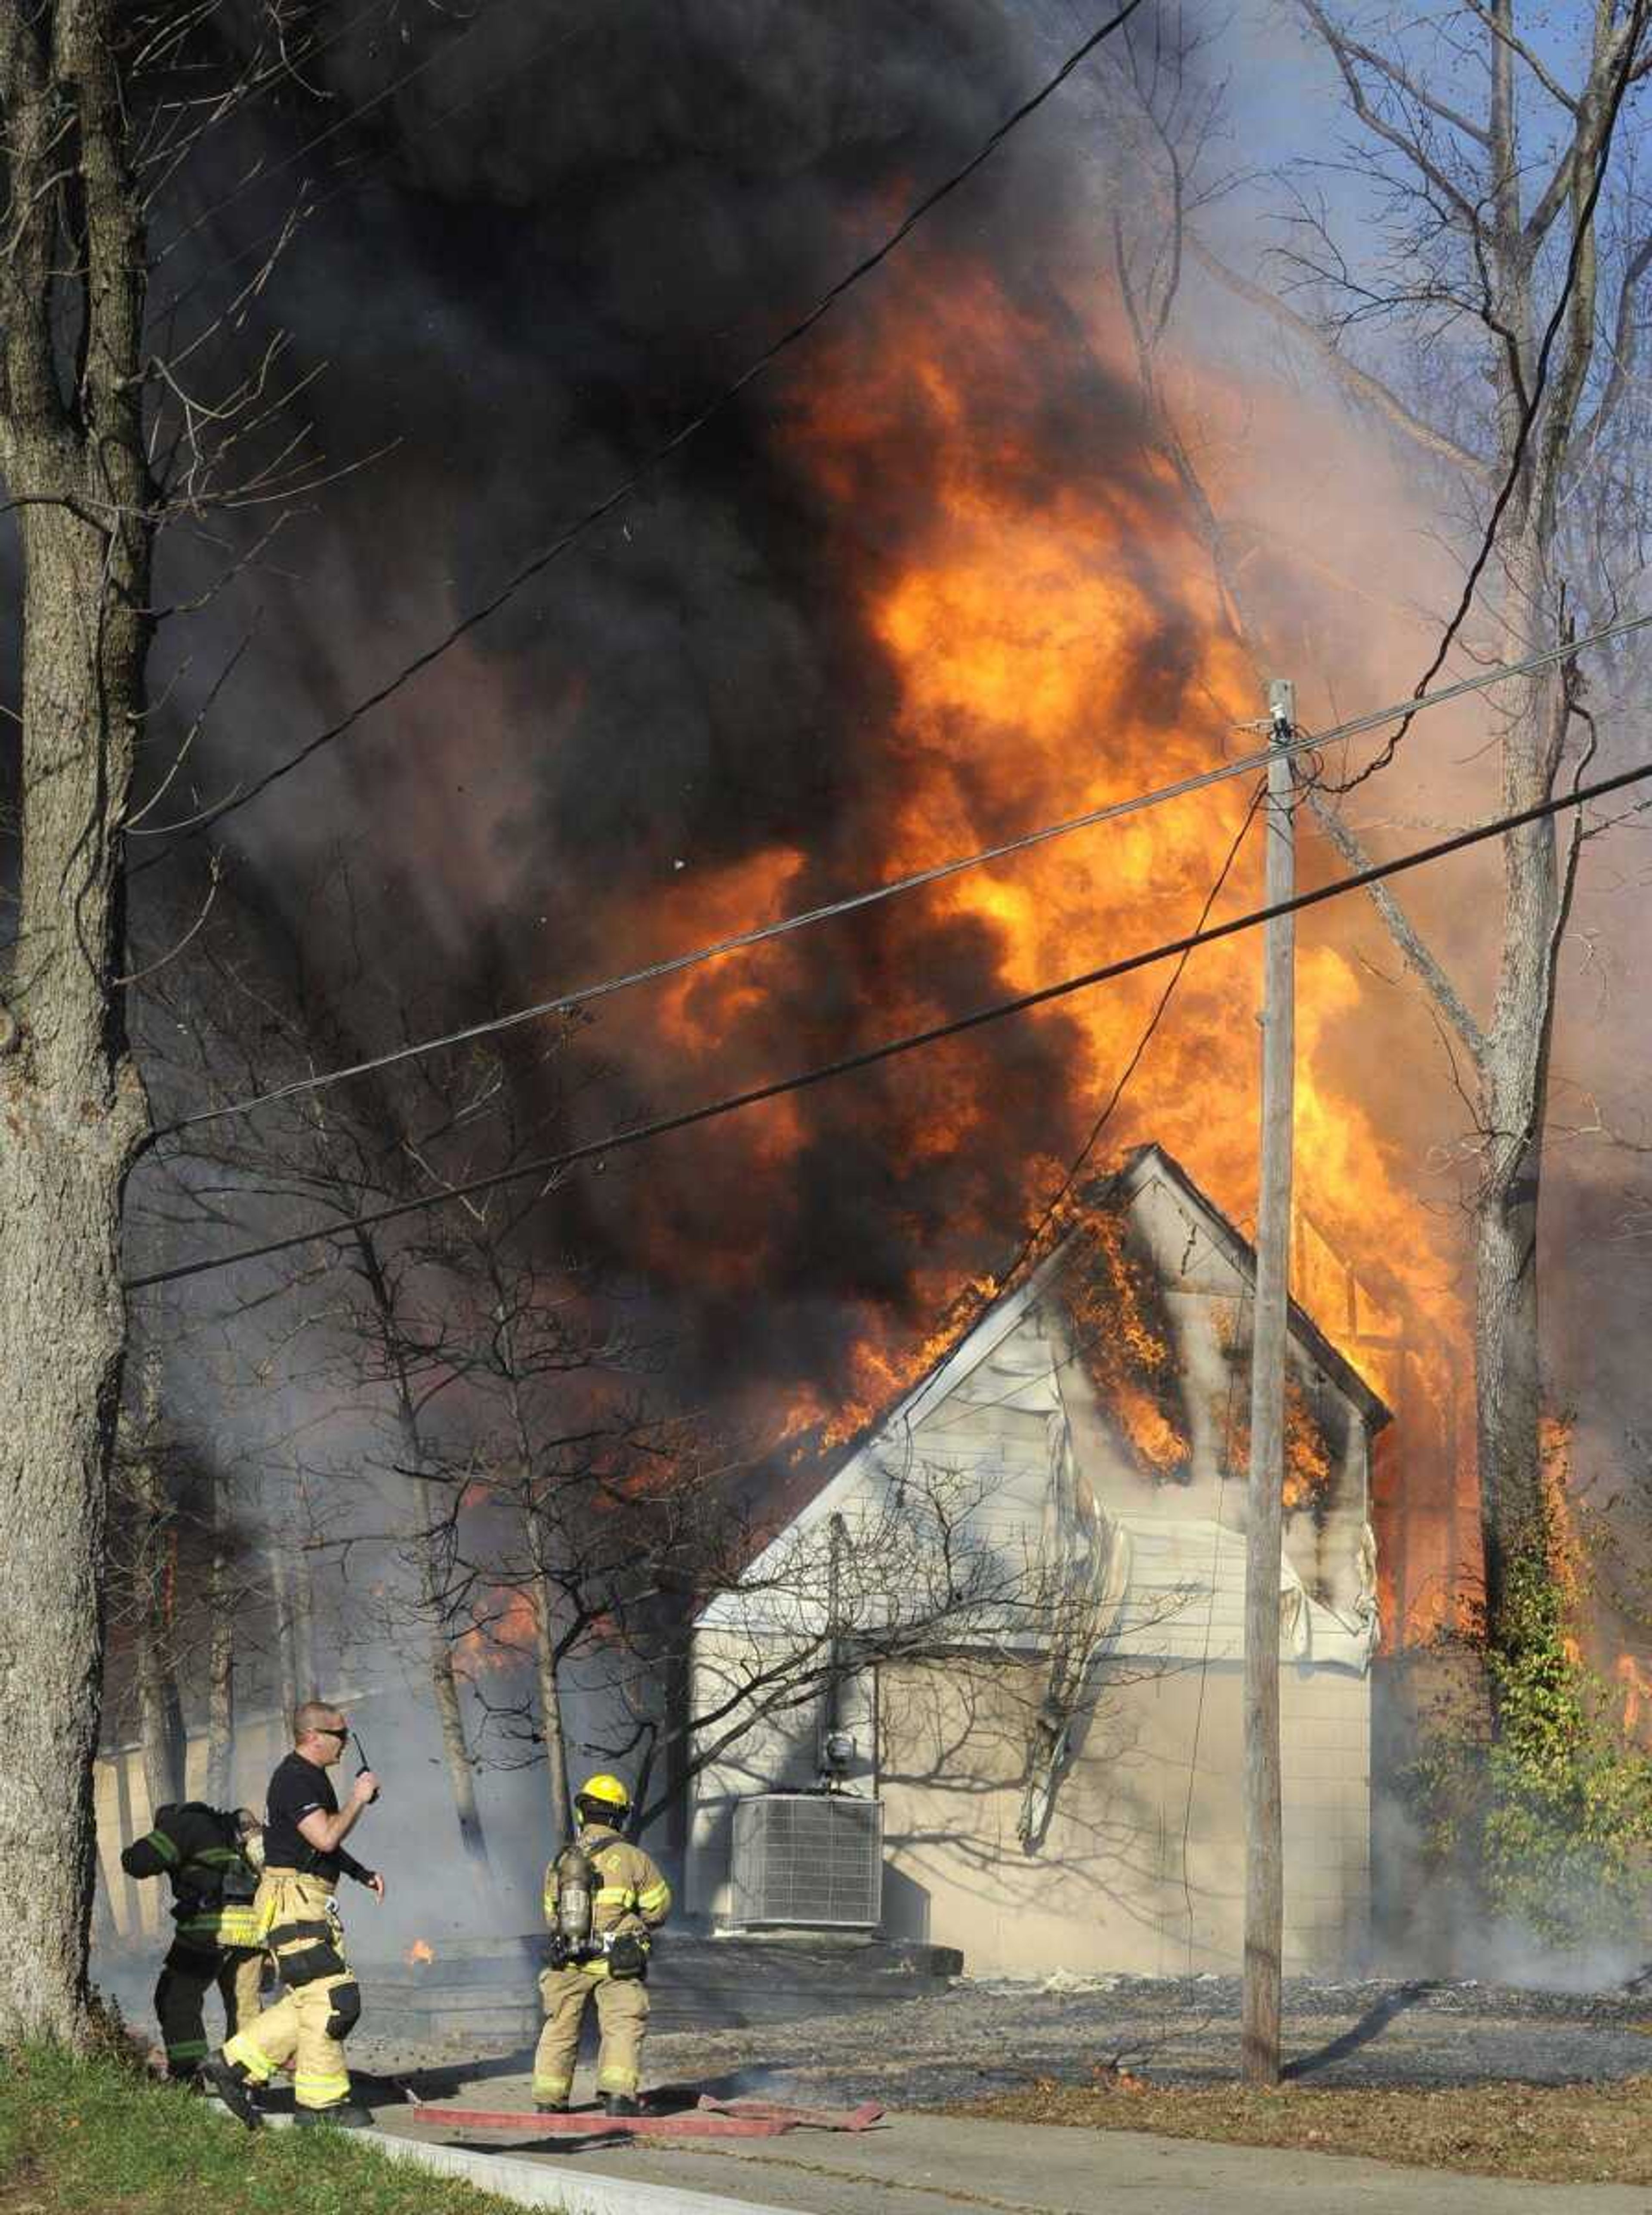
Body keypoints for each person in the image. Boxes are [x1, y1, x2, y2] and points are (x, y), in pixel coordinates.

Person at [203, 1700, 385, 2130]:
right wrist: (358, 1799)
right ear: (312, 1736)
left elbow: (312, 1842)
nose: (345, 1744)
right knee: (334, 1998)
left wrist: (360, 1873)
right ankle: (321, 2107)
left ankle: (232, 2063)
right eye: (339, 1735)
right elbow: (324, 1837)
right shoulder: (296, 1779)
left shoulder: (308, 1778)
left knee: (307, 1997)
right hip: (294, 1901)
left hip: (300, 1896)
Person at [532, 1773, 671, 2116]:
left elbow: (551, 1915)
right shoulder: (633, 1858)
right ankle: (618, 2097)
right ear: (619, 1815)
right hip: (618, 1961)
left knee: (560, 2026)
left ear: (584, 1813)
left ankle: (549, 2100)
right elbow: (660, 1907)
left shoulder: (561, 1861)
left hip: (569, 1959)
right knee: (623, 2023)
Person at [120, 1802, 266, 2082]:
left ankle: (189, 2075)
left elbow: (139, 1862)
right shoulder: (226, 1826)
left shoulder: (181, 1825)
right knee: (243, 2006)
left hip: (212, 1925)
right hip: (252, 1929)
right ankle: (246, 2081)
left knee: (176, 1997)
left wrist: (129, 1853)